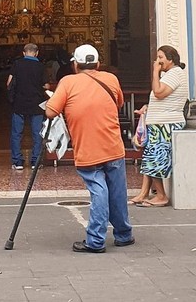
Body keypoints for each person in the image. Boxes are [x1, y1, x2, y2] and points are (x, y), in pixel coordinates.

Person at [45, 43, 134, 253]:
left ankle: (95, 240)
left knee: (99, 191)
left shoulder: (68, 82)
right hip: (112, 144)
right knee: (117, 192)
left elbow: (50, 112)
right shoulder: (111, 79)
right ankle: (123, 234)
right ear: (98, 64)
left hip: (88, 147)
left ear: (75, 65)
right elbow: (119, 102)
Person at [130, 44, 188, 207]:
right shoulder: (171, 75)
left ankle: (161, 195)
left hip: (165, 125)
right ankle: (144, 193)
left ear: (171, 59)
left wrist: (155, 72)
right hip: (160, 123)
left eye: (161, 57)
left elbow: (159, 93)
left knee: (154, 159)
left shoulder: (174, 74)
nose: (158, 61)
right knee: (150, 158)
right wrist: (148, 109)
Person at [6, 43, 45, 170]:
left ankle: (17, 162)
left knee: (17, 133)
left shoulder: (17, 64)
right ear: (37, 53)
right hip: (37, 103)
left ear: (23, 53)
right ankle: (35, 161)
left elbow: (9, 83)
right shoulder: (40, 66)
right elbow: (46, 85)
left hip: (19, 102)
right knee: (37, 133)